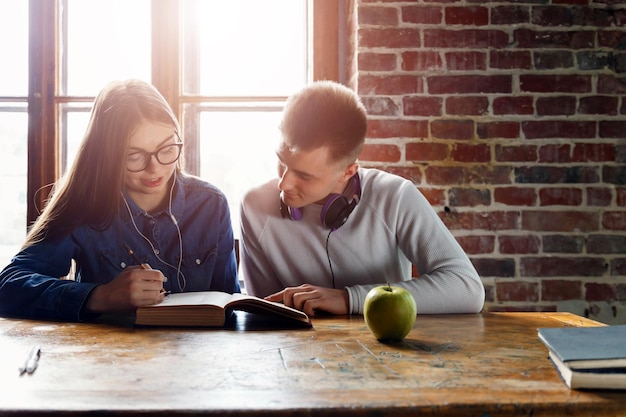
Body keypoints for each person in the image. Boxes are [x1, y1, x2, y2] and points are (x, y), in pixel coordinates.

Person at [0, 79, 239, 321]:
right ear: (107, 156)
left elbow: (230, 302)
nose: (154, 168)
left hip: (199, 354)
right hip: (109, 354)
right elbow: (8, 286)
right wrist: (101, 296)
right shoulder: (84, 205)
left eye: (167, 149)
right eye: (135, 156)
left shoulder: (211, 204)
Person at [239, 80, 484, 316]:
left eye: (304, 175)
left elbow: (467, 288)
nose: (284, 184)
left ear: (348, 171)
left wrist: (349, 299)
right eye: (282, 162)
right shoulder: (254, 206)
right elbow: (265, 311)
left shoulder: (395, 196)